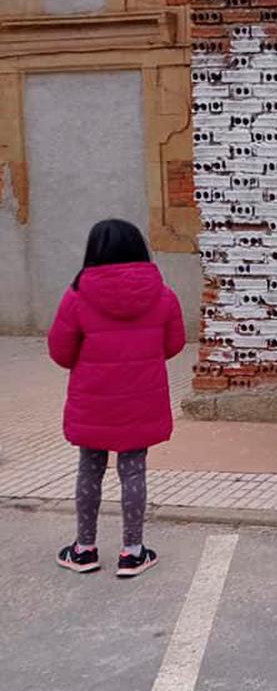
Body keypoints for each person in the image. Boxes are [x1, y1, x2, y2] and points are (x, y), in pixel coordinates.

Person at [48, 219, 187, 578]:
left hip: (92, 400)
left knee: (89, 470)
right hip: (141, 399)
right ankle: (133, 552)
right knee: (134, 470)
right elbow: (173, 345)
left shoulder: (77, 295)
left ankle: (83, 549)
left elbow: (61, 353)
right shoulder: (163, 294)